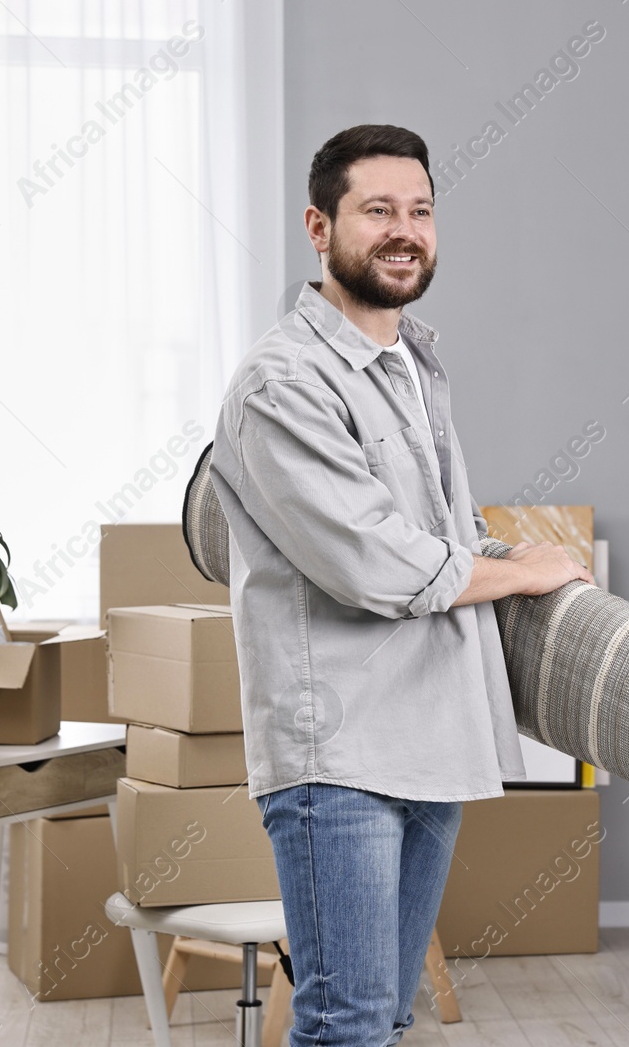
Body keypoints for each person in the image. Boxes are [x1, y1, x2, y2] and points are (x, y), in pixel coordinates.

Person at [207, 123, 593, 1046]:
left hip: (430, 737)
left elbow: (437, 534)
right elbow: (375, 560)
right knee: (344, 1023)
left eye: (419, 210)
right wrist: (519, 569)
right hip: (339, 753)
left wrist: (502, 556)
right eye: (377, 210)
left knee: (380, 1014)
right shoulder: (282, 380)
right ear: (319, 226)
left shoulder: (416, 364)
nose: (404, 230)